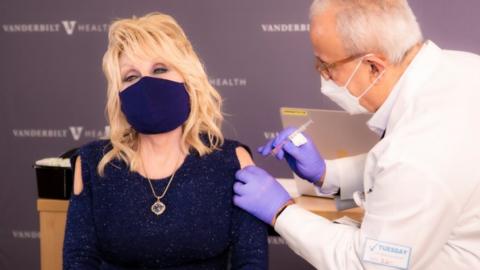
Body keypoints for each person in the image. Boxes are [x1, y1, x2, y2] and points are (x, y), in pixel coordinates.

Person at [233, 0, 480, 269]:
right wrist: (326, 175)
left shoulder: (416, 155)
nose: (324, 77)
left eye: (327, 66)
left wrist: (281, 212)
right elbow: (395, 177)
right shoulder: (462, 68)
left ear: (374, 66)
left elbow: (368, 264)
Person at [63, 12, 268, 270]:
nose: (146, 84)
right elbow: (79, 260)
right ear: (119, 95)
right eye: (131, 77)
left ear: (187, 77)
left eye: (159, 69)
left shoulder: (231, 160)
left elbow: (251, 261)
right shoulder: (93, 163)